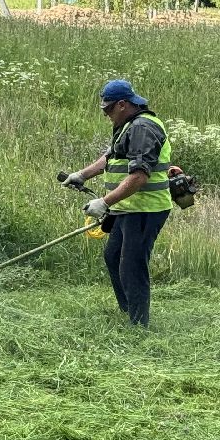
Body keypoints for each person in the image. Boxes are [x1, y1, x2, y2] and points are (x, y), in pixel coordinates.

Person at [62, 80, 174, 328]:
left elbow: (139, 176)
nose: (106, 115)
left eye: (108, 110)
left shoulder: (143, 128)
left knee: (131, 267)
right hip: (127, 208)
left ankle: (139, 325)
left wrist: (104, 202)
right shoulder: (127, 126)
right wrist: (81, 175)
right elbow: (110, 157)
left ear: (122, 104)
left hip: (146, 209)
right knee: (113, 257)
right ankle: (128, 311)